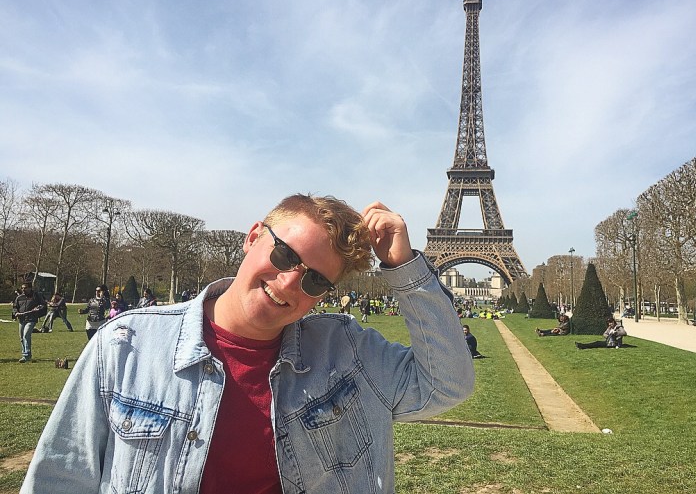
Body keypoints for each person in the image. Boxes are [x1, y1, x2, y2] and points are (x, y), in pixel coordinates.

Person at [22, 195, 474, 494]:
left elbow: (447, 384)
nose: (289, 281)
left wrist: (404, 268)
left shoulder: (348, 351)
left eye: (315, 280)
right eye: (285, 254)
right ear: (253, 236)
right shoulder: (124, 344)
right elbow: (62, 477)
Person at [11, 281, 47, 363]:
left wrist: (39, 308)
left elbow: (43, 304)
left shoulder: (36, 296)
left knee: (26, 335)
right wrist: (15, 313)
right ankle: (25, 355)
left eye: (25, 288)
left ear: (30, 288)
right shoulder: (19, 297)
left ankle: (26, 355)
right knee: (21, 338)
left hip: (31, 319)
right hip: (22, 319)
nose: (23, 289)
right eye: (22, 288)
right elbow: (15, 307)